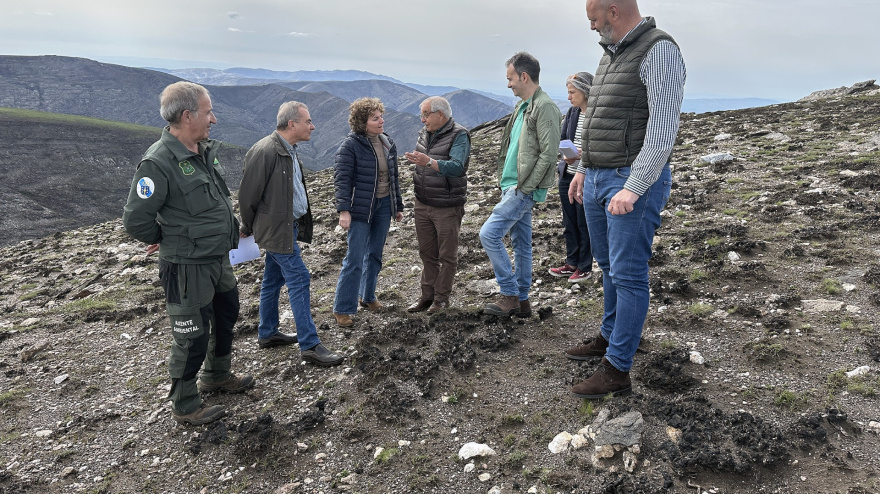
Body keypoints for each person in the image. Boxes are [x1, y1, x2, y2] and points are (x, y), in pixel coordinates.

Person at [566, 0, 686, 399]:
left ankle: (617, 369)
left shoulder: (660, 50)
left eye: (593, 19)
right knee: (608, 266)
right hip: (600, 176)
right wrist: (582, 169)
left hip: (628, 180)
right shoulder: (609, 57)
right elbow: (595, 116)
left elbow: (663, 127)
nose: (591, 27)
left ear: (613, 11)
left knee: (629, 273)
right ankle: (609, 335)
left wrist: (634, 188)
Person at [122, 82, 254, 426]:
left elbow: (213, 200)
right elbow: (136, 219)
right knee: (191, 334)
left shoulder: (201, 151)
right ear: (187, 115)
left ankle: (217, 375)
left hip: (217, 259)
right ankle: (185, 404)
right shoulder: (158, 162)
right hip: (186, 266)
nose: (214, 118)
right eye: (208, 111)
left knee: (226, 316)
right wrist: (169, 239)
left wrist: (233, 225)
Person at [238, 101, 344, 367]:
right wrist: (246, 227)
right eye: (308, 121)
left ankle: (267, 332)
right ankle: (310, 345)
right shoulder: (265, 151)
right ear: (292, 124)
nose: (313, 126)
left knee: (272, 281)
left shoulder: (289, 149)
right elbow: (248, 195)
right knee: (299, 277)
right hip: (276, 230)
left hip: (286, 227)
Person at [480, 52, 562, 317]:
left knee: (489, 234)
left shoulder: (545, 106)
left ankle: (510, 293)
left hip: (522, 186)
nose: (508, 84)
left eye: (510, 78)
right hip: (512, 184)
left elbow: (549, 154)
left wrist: (527, 186)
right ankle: (523, 300)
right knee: (521, 244)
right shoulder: (523, 106)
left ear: (524, 77)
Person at [332, 97, 404, 327]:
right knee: (354, 259)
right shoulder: (350, 146)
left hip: (384, 206)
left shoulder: (386, 142)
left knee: (374, 254)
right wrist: (344, 210)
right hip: (360, 209)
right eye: (375, 118)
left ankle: (368, 296)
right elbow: (341, 180)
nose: (381, 121)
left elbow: (393, 178)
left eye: (381, 116)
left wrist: (397, 206)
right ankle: (342, 308)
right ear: (363, 123)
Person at [403, 97, 471, 315]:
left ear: (440, 114)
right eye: (422, 115)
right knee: (426, 253)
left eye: (425, 115)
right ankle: (426, 296)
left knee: (447, 255)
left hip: (446, 205)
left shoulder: (459, 135)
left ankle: (441, 300)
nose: (422, 120)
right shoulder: (426, 132)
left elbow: (458, 167)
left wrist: (429, 162)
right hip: (423, 203)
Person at [548, 72, 595, 284]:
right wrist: (566, 154)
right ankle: (572, 262)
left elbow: (598, 145)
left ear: (585, 91)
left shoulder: (597, 114)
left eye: (572, 92)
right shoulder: (573, 112)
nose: (569, 97)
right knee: (569, 222)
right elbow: (563, 138)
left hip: (586, 176)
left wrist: (582, 155)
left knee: (583, 222)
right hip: (567, 173)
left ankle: (585, 266)